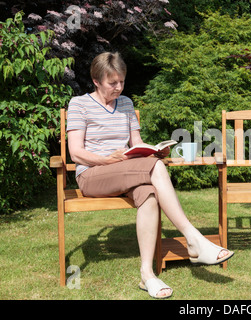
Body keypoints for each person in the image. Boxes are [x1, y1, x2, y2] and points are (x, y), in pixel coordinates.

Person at [66, 52, 234, 299]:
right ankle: (193, 239)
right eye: (112, 83)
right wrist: (107, 159)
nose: (119, 87)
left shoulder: (125, 104)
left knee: (149, 194)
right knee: (155, 167)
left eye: (122, 81)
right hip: (92, 175)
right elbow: (76, 153)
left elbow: (137, 143)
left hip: (123, 173)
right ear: (96, 80)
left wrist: (154, 149)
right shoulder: (79, 104)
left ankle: (147, 275)